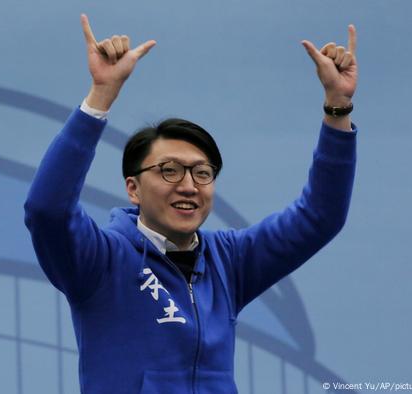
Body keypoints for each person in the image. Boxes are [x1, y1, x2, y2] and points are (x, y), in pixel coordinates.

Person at [24, 14, 357, 394]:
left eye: (202, 173)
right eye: (169, 171)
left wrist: (338, 106)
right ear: (133, 188)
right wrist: (100, 96)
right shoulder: (100, 260)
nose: (188, 186)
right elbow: (46, 209)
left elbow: (320, 216)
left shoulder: (230, 262)